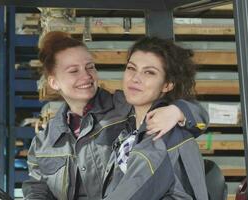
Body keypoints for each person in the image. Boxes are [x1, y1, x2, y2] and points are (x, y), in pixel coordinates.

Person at [22, 31, 208, 200]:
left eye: (90, 67)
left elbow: (196, 115)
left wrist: (178, 111)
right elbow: (37, 188)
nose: (86, 76)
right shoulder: (44, 143)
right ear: (53, 82)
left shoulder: (128, 110)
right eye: (73, 71)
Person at [102, 37, 208, 200]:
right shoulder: (130, 127)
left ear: (167, 85)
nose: (135, 78)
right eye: (131, 68)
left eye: (149, 72)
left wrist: (180, 110)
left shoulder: (161, 135)